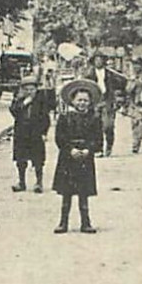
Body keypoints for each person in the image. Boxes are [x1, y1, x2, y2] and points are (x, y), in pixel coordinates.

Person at [53, 79, 103, 233]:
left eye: (85, 101)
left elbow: (98, 140)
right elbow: (60, 139)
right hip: (68, 158)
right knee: (66, 193)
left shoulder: (94, 119)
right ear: (72, 101)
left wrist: (89, 150)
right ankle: (63, 222)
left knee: (83, 193)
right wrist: (70, 150)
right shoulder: (64, 117)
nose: (82, 103)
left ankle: (86, 222)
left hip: (85, 159)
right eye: (79, 100)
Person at [9, 76, 53, 192]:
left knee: (38, 159)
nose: (29, 92)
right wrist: (24, 103)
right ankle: (21, 182)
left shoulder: (41, 101)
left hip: (36, 133)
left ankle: (39, 183)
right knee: (20, 159)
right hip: (21, 133)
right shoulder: (18, 101)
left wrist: (44, 132)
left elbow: (45, 118)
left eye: (32, 89)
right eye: (26, 89)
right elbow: (13, 111)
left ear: (36, 90)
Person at [82, 52, 125, 156]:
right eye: (96, 60)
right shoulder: (89, 74)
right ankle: (99, 149)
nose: (98, 62)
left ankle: (109, 146)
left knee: (108, 125)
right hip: (95, 101)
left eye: (101, 59)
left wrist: (118, 98)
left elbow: (122, 83)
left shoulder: (111, 74)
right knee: (96, 126)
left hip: (108, 100)